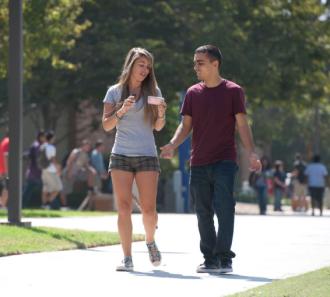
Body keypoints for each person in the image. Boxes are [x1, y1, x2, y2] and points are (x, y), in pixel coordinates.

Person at [160, 45, 261, 274]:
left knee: (224, 208)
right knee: (203, 211)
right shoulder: (193, 93)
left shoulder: (234, 91)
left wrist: (252, 152)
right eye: (195, 62)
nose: (196, 67)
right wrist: (173, 145)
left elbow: (242, 124)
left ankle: (224, 257)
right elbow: (186, 126)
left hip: (224, 160)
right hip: (198, 162)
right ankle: (210, 258)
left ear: (215, 64)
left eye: (200, 62)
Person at [102, 47, 166, 271]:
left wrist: (161, 113)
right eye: (141, 65)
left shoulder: (153, 91)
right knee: (124, 207)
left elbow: (158, 127)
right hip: (120, 155)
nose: (145, 70)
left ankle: (150, 241)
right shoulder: (114, 92)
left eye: (148, 67)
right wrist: (121, 110)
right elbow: (107, 125)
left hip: (147, 154)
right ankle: (127, 258)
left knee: (149, 209)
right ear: (130, 65)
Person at [61, 139, 96, 205]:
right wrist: (69, 172)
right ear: (83, 145)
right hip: (68, 172)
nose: (88, 148)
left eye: (89, 147)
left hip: (77, 174)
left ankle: (90, 189)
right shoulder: (76, 151)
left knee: (90, 173)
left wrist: (92, 169)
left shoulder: (85, 155)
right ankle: (64, 206)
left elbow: (86, 165)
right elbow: (69, 162)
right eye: (87, 146)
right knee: (65, 190)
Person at [22, 130, 46, 208]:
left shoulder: (36, 145)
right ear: (41, 137)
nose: (45, 138)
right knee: (46, 187)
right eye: (44, 137)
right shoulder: (37, 146)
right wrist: (42, 168)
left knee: (29, 190)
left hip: (33, 172)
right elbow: (37, 159)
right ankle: (49, 204)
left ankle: (22, 205)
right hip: (34, 172)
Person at [40, 131, 63, 209]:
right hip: (51, 170)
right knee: (58, 187)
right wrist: (58, 169)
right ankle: (47, 203)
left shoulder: (42, 146)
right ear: (51, 138)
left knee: (45, 188)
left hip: (44, 169)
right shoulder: (51, 147)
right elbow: (52, 159)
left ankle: (44, 204)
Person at [0, 133, 9, 208]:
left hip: (1, 168)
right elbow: (6, 156)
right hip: (5, 170)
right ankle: (2, 206)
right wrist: (7, 171)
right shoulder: (8, 142)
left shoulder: (3, 142)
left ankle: (2, 205)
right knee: (6, 187)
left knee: (4, 187)